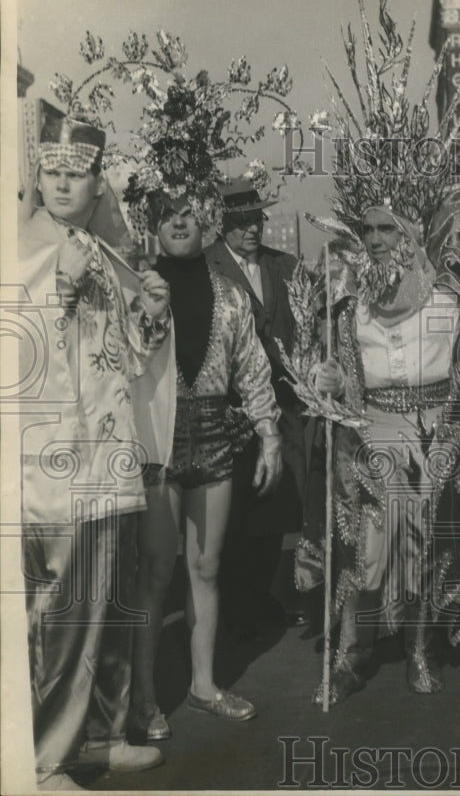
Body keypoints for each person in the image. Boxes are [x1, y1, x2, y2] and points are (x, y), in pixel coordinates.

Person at [18, 107, 171, 788]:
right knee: (63, 611)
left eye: (74, 176)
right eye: (50, 172)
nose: (60, 186)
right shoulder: (24, 249)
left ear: (96, 183)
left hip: (110, 456)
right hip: (56, 459)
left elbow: (126, 358)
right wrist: (61, 286)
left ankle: (100, 733)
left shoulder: (103, 251)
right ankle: (46, 756)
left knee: (109, 601)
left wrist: (150, 313)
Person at [129, 188, 283, 736]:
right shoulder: (136, 288)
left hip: (217, 436)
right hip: (158, 440)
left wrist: (269, 435)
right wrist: (148, 309)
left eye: (188, 214)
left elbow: (252, 369)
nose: (177, 223)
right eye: (166, 214)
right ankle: (143, 698)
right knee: (154, 572)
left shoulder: (231, 296)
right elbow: (126, 358)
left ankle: (204, 684)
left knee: (207, 568)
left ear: (206, 221)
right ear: (152, 223)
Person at [299, 202, 460, 704]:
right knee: (365, 547)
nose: (374, 239)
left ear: (409, 235)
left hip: (432, 432)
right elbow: (331, 370)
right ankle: (352, 654)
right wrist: (325, 379)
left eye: (386, 229)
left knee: (420, 545)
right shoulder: (349, 308)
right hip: (370, 433)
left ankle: (418, 649)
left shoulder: (445, 301)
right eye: (367, 230)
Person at [205, 183, 308, 641]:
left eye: (256, 220)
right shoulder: (205, 267)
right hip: (232, 411)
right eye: (240, 221)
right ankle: (232, 607)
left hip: (285, 407)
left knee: (276, 509)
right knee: (236, 513)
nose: (250, 228)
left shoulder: (285, 265)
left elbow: (309, 326)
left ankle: (259, 597)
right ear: (222, 224)